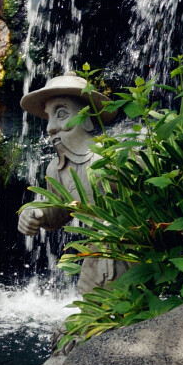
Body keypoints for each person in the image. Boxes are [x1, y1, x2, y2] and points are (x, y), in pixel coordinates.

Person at [16, 73, 126, 295]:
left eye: (62, 114)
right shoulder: (55, 169)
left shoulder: (113, 157)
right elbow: (60, 211)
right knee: (89, 303)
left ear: (87, 117)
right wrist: (37, 213)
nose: (51, 128)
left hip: (131, 250)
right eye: (49, 118)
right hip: (97, 252)